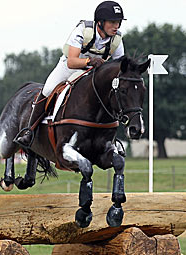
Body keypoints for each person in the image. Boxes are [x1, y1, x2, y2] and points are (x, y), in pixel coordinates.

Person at [14, 1, 126, 147]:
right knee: (48, 89)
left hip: (93, 73)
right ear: (100, 22)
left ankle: (111, 137)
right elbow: (72, 61)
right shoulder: (83, 31)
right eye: (112, 22)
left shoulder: (117, 39)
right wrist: (90, 61)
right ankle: (29, 130)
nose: (116, 26)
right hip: (70, 67)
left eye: (118, 22)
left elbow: (120, 67)